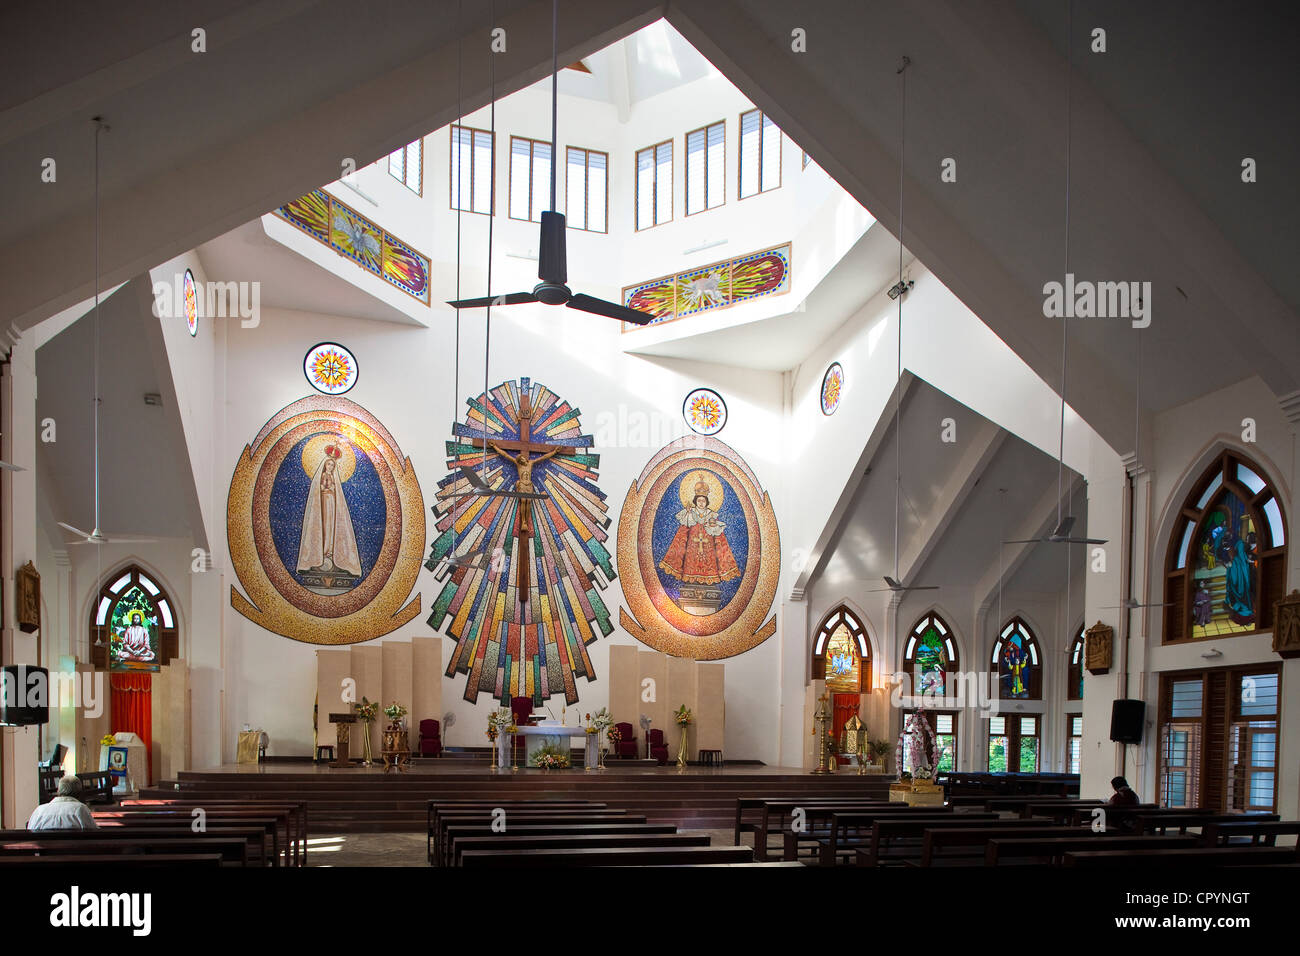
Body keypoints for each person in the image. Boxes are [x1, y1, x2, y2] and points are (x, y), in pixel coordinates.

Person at [27, 774, 99, 830]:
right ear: (79, 793)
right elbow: (93, 832)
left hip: (45, 848)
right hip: (74, 848)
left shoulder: (39, 810)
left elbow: (30, 831)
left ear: (58, 791)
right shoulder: (80, 809)